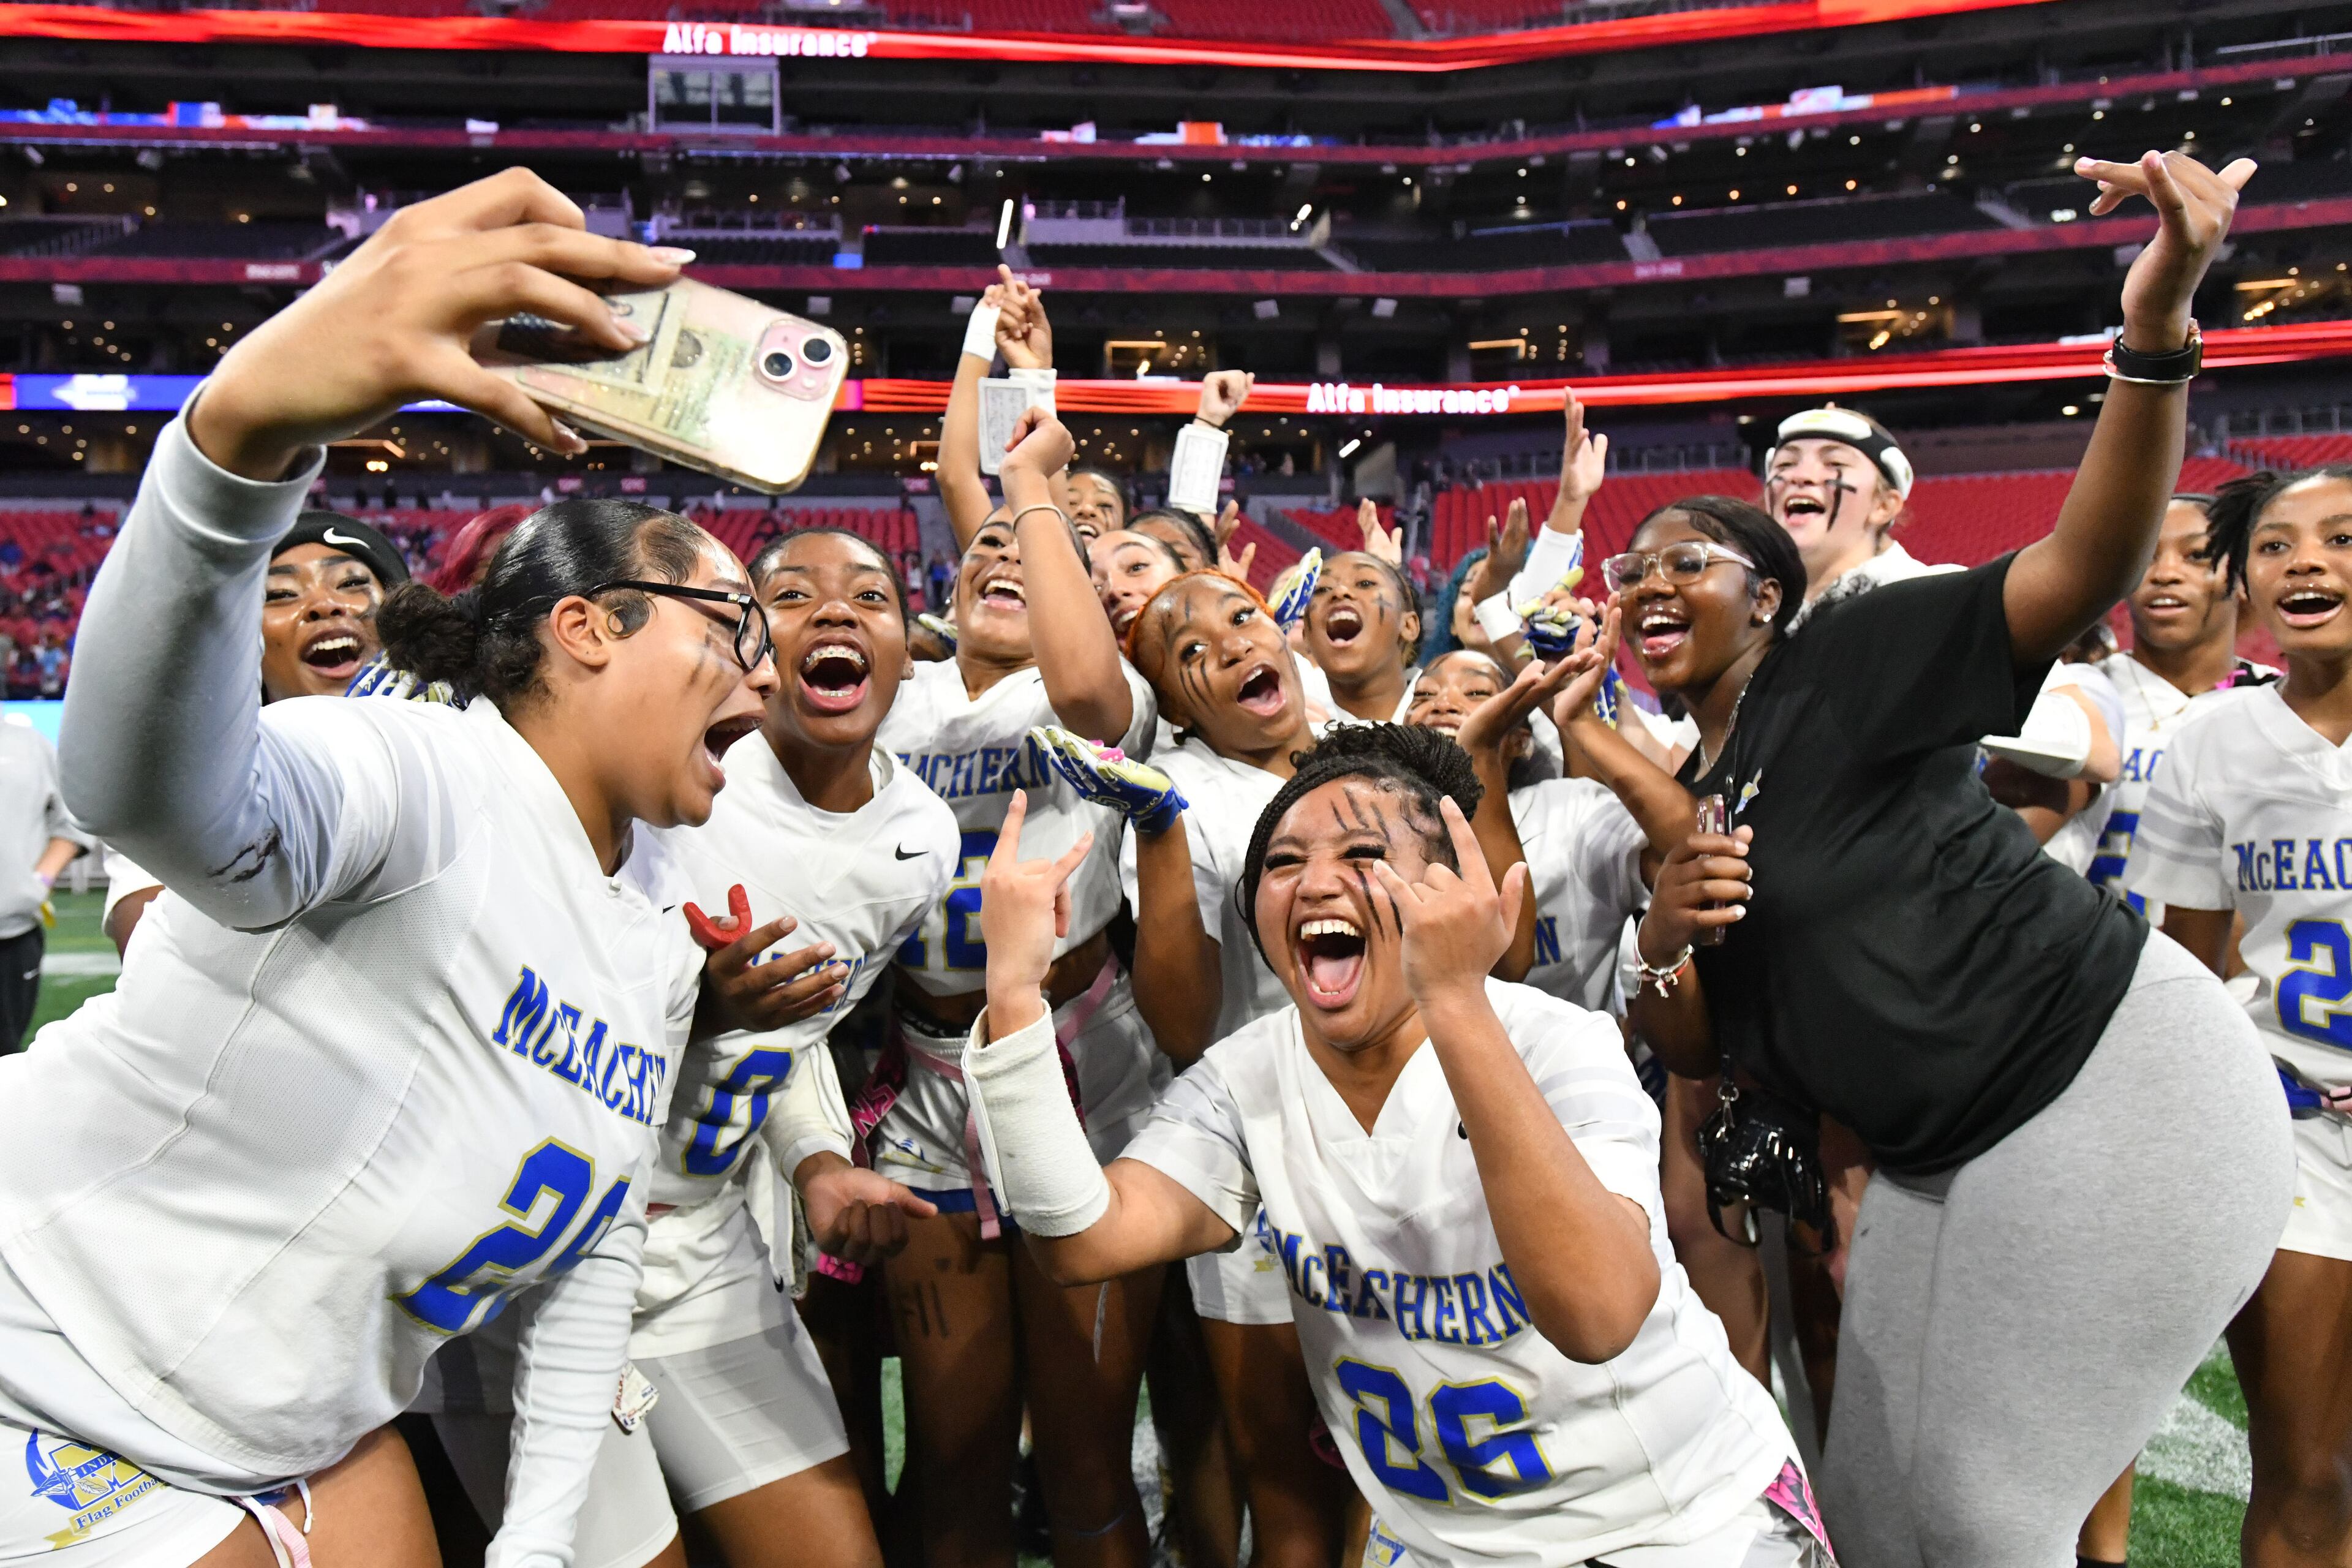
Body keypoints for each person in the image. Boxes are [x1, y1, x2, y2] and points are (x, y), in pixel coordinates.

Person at [0, 168, 786, 1567]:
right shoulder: (419, 770)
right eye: (726, 615)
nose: (761, 660)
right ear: (584, 630)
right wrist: (235, 443)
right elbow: (152, 799)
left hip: (295, 1435)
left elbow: (585, 1257)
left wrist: (538, 1539)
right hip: (44, 1370)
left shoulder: (655, 928)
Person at [1618, 149, 2294, 1563]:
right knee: (1873, 1507)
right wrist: (1664, 932)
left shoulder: (1855, 649)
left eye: (1691, 558)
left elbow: (2084, 564)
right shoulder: (1702, 780)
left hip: (2105, 1080)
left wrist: (2157, 323)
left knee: (1985, 1517)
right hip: (1949, 1146)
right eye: (1632, 570)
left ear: (1772, 589)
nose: (1651, 583)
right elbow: (1697, 1041)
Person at [964, 725, 1821, 1567]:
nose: (1314, 882)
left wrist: (1453, 997)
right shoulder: (1247, 1077)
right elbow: (1080, 1239)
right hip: (1438, 1543)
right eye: (1284, 863)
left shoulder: (1557, 1042)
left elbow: (1599, 1316)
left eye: (1363, 854)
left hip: (1674, 1522)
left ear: (1459, 895)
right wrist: (1010, 995)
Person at [424, 526, 952, 1568]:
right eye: (776, 601)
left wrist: (818, 1158)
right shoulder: (635, 793)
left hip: (703, 1245)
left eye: (871, 596)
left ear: (910, 651)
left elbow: (797, 1030)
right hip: (526, 1255)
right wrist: (694, 1009)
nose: (826, 619)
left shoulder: (920, 838)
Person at [870, 406, 1166, 1568]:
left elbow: (1090, 685)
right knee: (954, 1460)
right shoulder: (893, 701)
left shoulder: (1092, 695)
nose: (1001, 553)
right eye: (980, 547)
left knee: (1088, 1463)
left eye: (1028, 549)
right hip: (930, 1082)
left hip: (1081, 1070)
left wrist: (1033, 488)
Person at [2127, 462, 2352, 1568]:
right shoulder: (2212, 743)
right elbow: (2188, 971)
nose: (2306, 559)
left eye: (2340, 536)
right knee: (2307, 1466)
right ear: (2248, 584)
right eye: (2276, 545)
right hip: (2299, 1129)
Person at [1111, 567, 1351, 1568]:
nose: (1230, 641)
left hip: (1418, 1148)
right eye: (1189, 650)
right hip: (1267, 1166)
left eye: (1243, 616)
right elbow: (1182, 1022)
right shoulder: (1189, 801)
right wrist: (1162, 836)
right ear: (1168, 706)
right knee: (1288, 1485)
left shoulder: (1364, 751)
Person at [102, 507, 414, 954]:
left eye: (350, 583)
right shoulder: (184, 777)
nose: (326, 604)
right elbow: (152, 955)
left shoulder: (469, 747)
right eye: (280, 593)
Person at [2088, 491, 2274, 912]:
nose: (2166, 573)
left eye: (2196, 555)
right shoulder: (2082, 698)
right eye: (2146, 556)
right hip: (2094, 964)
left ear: (2243, 577)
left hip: (2241, 971)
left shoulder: (2285, 706)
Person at [0, 716, 88, 1055]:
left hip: (12, 934)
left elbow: (71, 823)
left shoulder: (31, 746)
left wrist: (39, 881)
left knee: (5, 1056)